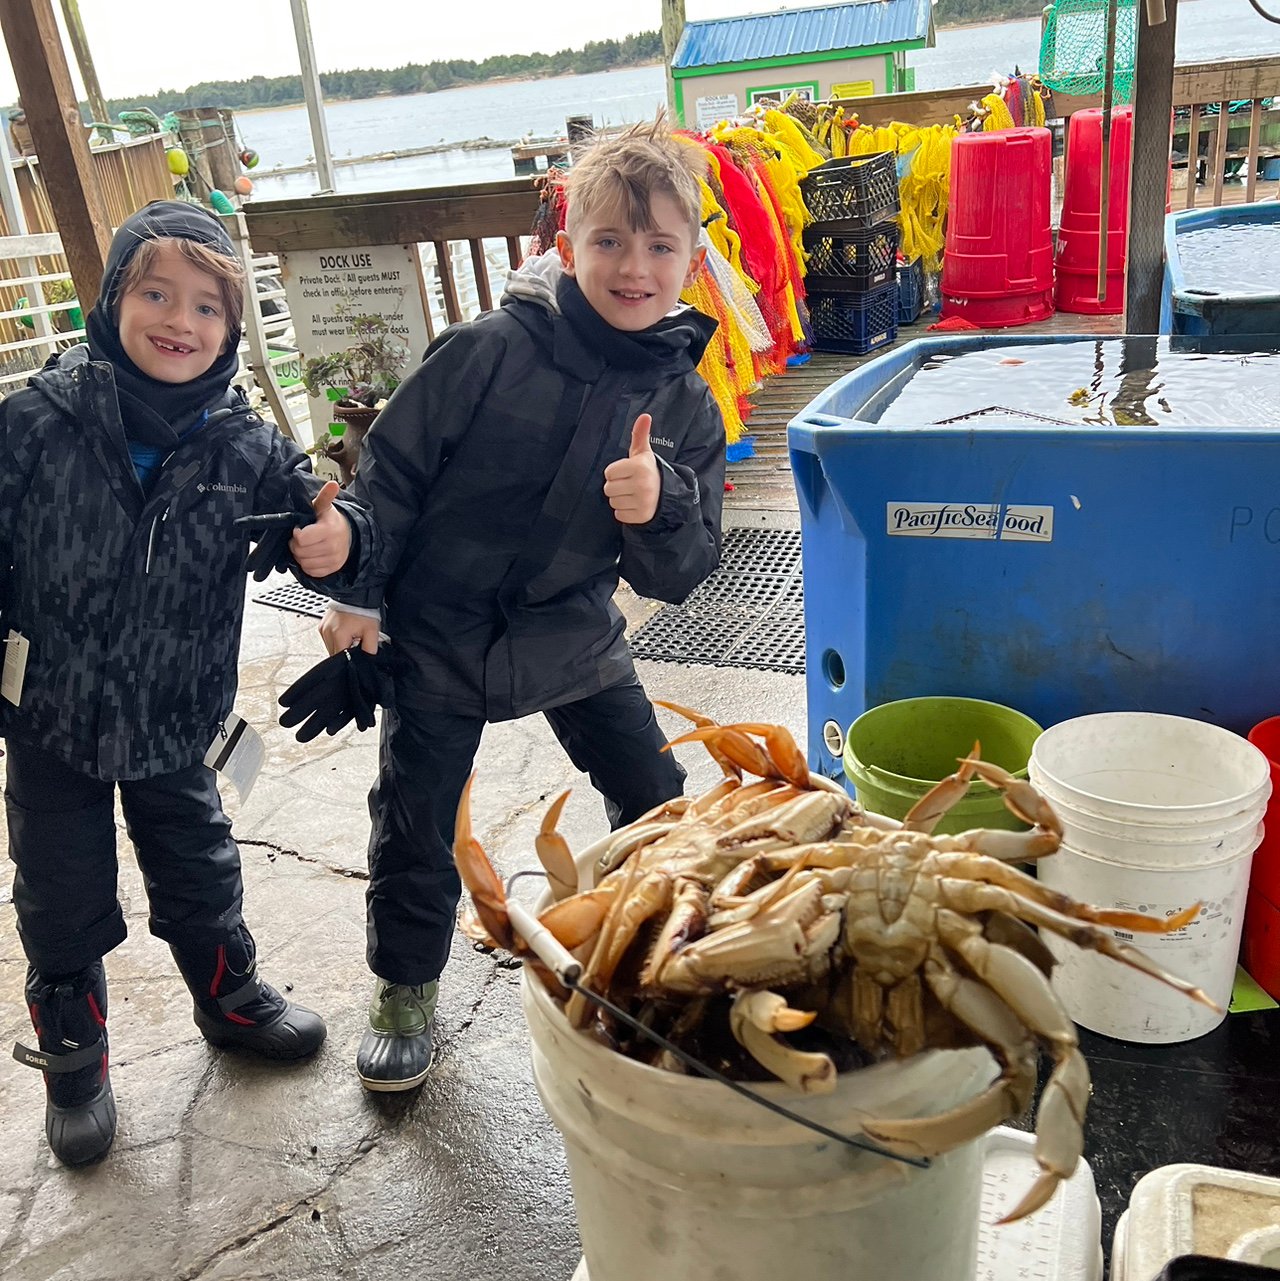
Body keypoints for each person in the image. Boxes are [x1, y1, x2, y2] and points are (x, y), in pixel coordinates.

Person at [318, 119, 726, 1092]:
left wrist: (659, 501)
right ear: (564, 247)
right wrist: (354, 595)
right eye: (609, 242)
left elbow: (682, 571)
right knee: (413, 824)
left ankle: (657, 958)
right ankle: (404, 989)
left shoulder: (684, 406)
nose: (633, 267)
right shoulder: (485, 352)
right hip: (439, 635)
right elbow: (390, 476)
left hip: (573, 631)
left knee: (656, 800)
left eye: (660, 245)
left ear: (694, 261)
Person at [0, 201, 379, 1165]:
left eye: (208, 307)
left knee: (201, 866)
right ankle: (75, 1055)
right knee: (57, 888)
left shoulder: (246, 448)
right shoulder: (32, 424)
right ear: (111, 300)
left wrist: (339, 542)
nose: (180, 320)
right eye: (155, 293)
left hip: (177, 717)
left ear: (233, 332)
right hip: (50, 719)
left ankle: (228, 995)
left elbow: (325, 534)